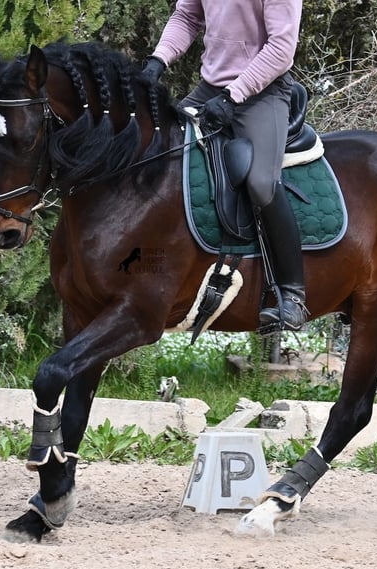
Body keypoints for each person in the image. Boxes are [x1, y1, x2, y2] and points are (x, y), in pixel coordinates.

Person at [141, 0, 308, 331]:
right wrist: (158, 60)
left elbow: (281, 48)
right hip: (210, 89)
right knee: (155, 150)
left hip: (262, 92)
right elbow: (187, 15)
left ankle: (293, 295)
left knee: (261, 183)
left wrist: (235, 95)